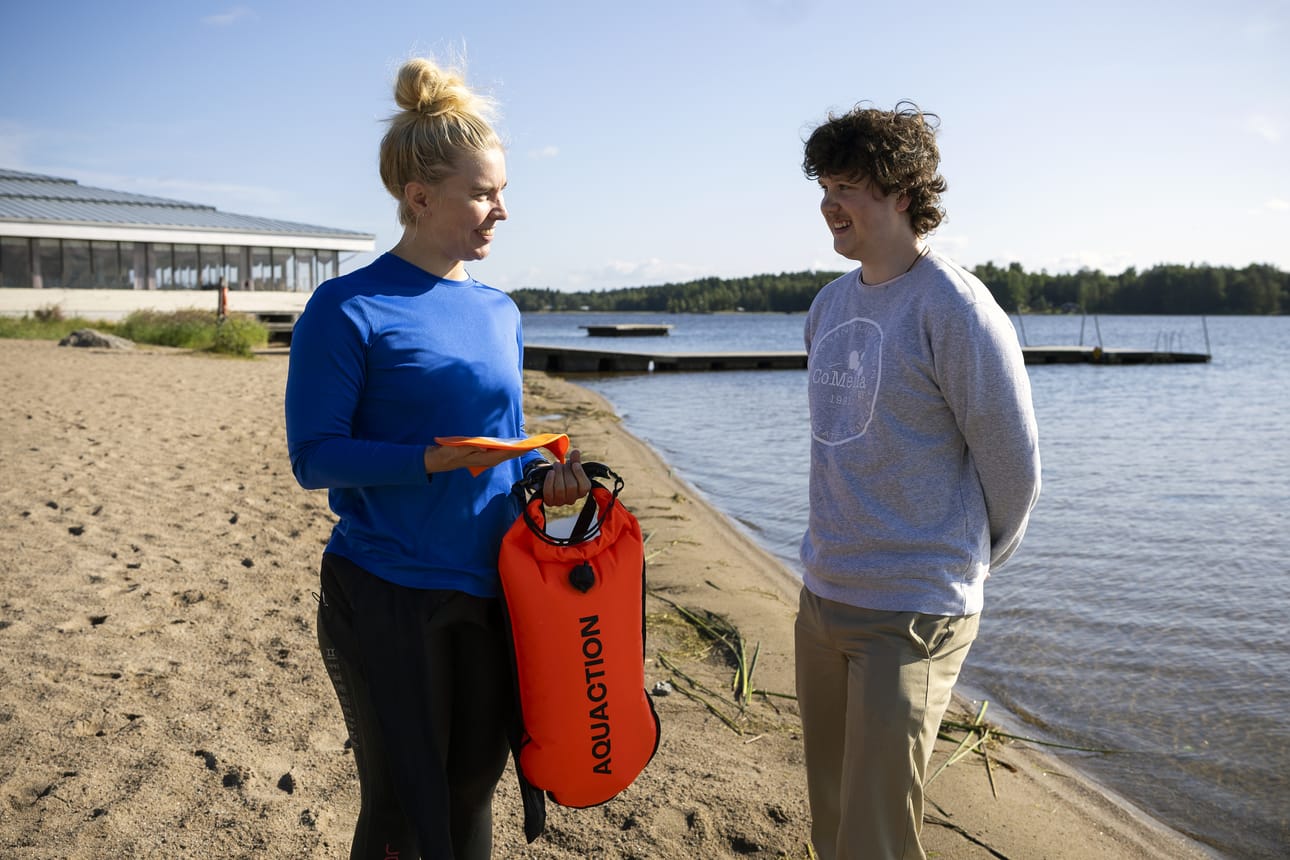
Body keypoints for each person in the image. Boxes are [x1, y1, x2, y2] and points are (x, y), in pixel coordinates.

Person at [284, 56, 590, 859]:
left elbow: (506, 444)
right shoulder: (347, 309)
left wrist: (551, 486)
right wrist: (428, 461)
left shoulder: (498, 311)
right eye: (484, 194)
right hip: (384, 589)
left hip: (493, 589)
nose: (502, 211)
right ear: (420, 199)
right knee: (402, 803)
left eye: (503, 192)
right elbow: (315, 458)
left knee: (467, 795)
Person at [793, 101, 1042, 860]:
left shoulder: (956, 310)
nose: (829, 204)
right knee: (831, 819)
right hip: (823, 597)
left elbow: (1015, 470)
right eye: (824, 186)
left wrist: (958, 567)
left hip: (911, 612)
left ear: (903, 193)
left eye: (848, 187)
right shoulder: (829, 305)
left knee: (876, 839)